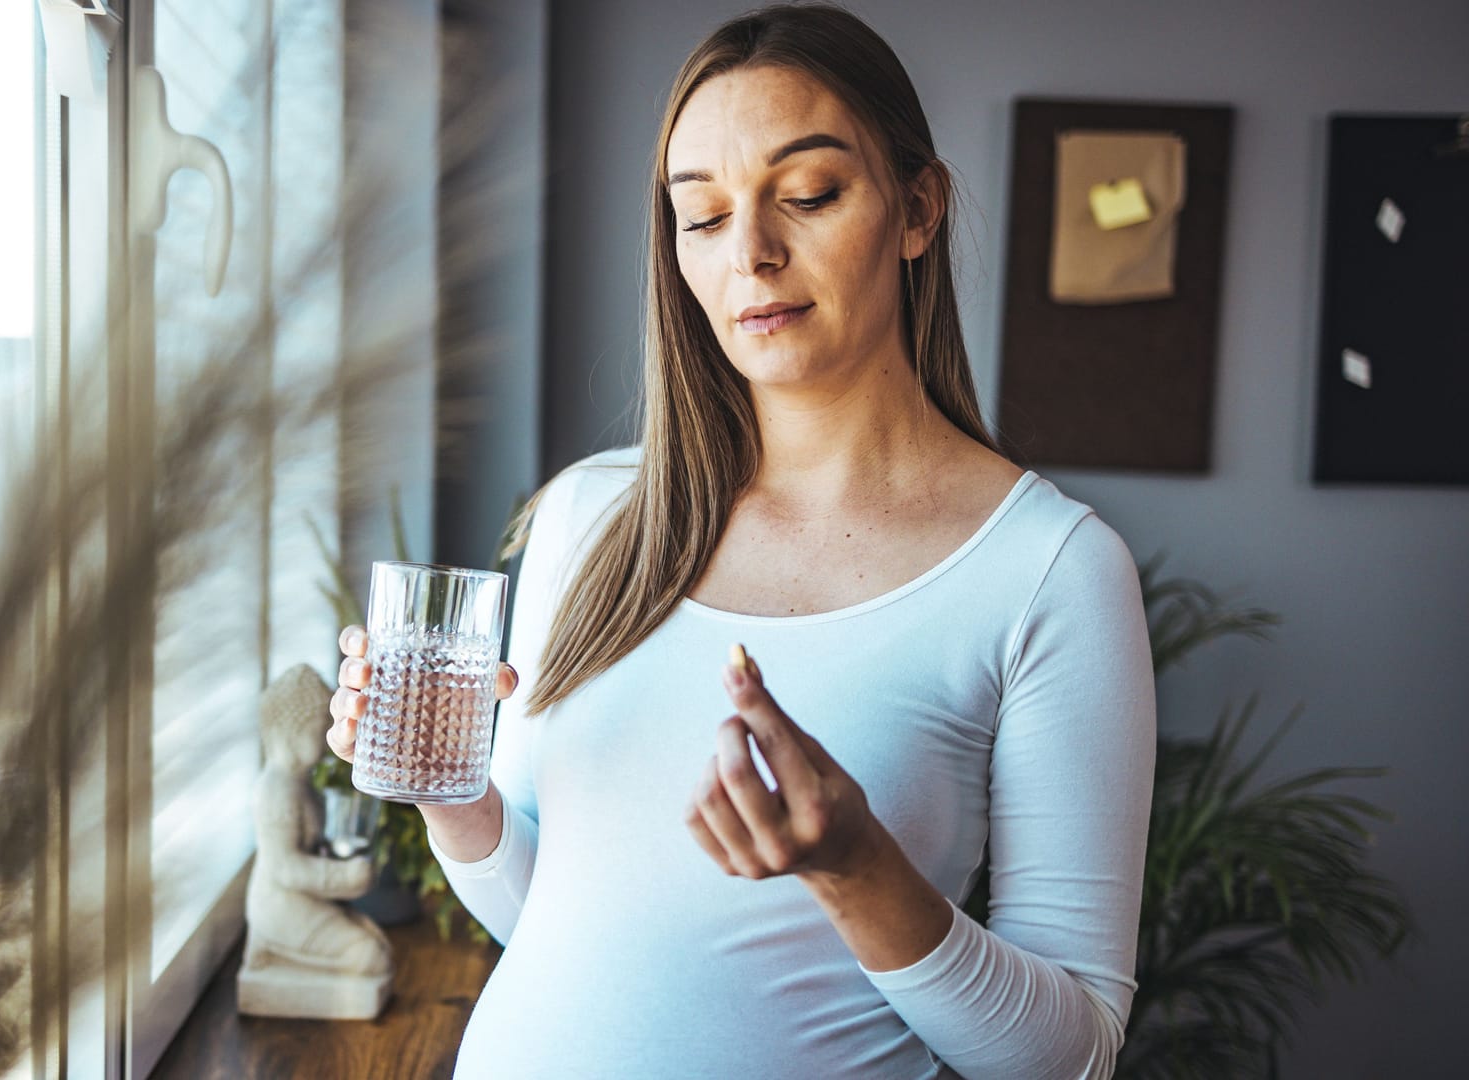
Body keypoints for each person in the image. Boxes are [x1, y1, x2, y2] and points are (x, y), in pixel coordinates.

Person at [327, 4, 1155, 1077]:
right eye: (702, 216)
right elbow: (557, 921)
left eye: (807, 195)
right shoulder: (589, 516)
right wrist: (456, 800)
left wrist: (859, 871)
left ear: (917, 208)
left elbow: (1072, 1053)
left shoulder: (1049, 571)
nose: (752, 254)